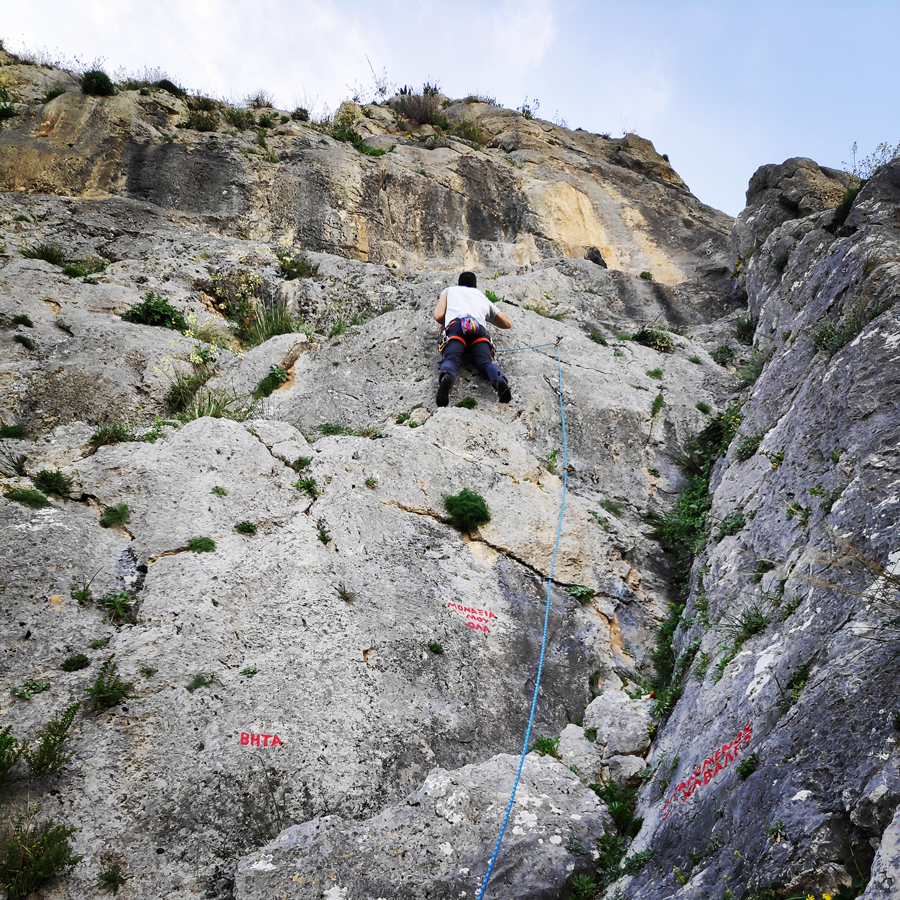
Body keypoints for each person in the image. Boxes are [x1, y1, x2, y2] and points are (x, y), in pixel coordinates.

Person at [433, 272, 513, 407]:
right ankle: (499, 379)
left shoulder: (449, 291)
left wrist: (445, 322)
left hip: (456, 328)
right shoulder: (481, 296)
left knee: (451, 360)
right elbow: (506, 324)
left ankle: (446, 377)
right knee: (486, 362)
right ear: (475, 286)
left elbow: (438, 315)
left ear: (459, 283)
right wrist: (487, 316)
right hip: (478, 329)